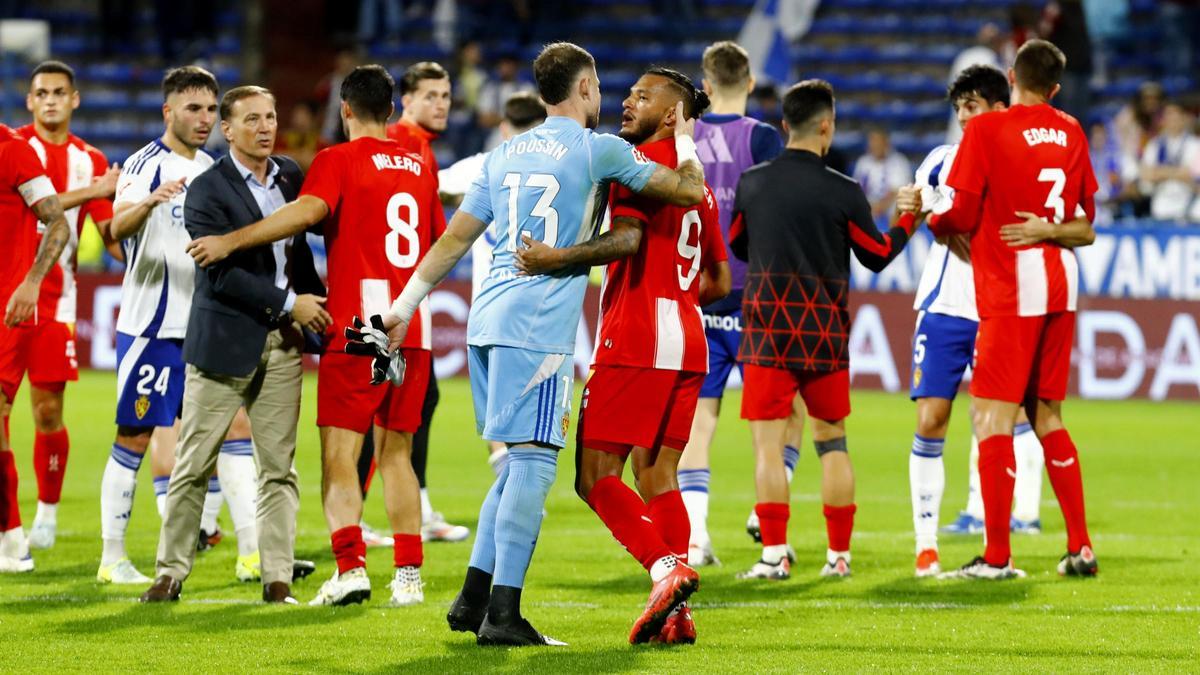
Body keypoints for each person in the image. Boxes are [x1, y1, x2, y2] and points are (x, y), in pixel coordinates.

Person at [367, 42, 707, 647]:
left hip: (487, 320)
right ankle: (504, 615)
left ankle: (473, 597)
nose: (609, 100)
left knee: (511, 464)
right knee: (531, 464)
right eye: (602, 88)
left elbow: (451, 241)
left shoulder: (503, 154)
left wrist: (402, 308)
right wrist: (682, 136)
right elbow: (685, 192)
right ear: (582, 90)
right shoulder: (600, 149)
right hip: (538, 325)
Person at [187, 64, 443, 608]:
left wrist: (232, 241)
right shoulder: (421, 164)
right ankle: (409, 578)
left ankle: (350, 569)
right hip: (410, 327)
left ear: (345, 109)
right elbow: (439, 242)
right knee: (397, 454)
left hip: (358, 329)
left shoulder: (337, 159)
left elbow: (308, 210)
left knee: (339, 455)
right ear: (392, 110)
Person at [515, 67, 728, 645]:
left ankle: (666, 570)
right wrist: (675, 298)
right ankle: (678, 616)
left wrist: (558, 257)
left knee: (593, 475)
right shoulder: (696, 181)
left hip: (637, 336)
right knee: (659, 474)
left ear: (669, 113)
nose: (628, 101)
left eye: (642, 95)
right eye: (628, 92)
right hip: (688, 337)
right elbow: (720, 277)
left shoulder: (640, 167)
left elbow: (630, 240)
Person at [140, 86, 329, 604]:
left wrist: (316, 298)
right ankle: (170, 573)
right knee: (195, 462)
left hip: (283, 345)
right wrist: (293, 305)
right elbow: (221, 274)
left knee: (278, 468)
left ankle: (277, 579)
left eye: (271, 116)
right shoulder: (206, 189)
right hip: (225, 338)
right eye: (252, 119)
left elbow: (299, 256)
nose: (266, 127)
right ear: (228, 129)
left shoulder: (290, 175)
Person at [730, 79, 918, 581]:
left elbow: (739, 245)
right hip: (824, 334)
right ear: (827, 127)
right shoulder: (845, 191)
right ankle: (839, 557)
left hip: (767, 332)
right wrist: (907, 221)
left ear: (785, 125)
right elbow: (877, 256)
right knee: (833, 441)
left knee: (768, 447)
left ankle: (773, 556)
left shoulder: (753, 183)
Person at [927, 39, 1098, 579]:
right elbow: (1086, 223)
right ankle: (1080, 547)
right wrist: (1048, 229)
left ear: (1010, 76)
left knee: (990, 417)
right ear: (1054, 89)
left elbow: (960, 213)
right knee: (1047, 415)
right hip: (1060, 281)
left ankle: (997, 556)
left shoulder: (985, 130)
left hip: (1010, 284)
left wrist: (928, 216)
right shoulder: (1071, 129)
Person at [100, 66, 259, 585]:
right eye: (194, 108)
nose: (205, 118)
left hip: (204, 325)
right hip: (151, 325)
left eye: (212, 109)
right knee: (137, 433)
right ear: (168, 111)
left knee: (235, 428)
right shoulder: (146, 163)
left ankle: (253, 555)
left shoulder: (214, 167)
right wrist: (148, 201)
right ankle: (112, 557)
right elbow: (113, 227)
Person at [903, 64, 1047, 578]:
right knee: (931, 420)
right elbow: (923, 209)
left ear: (998, 108)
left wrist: (946, 223)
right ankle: (926, 545)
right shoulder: (941, 160)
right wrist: (929, 218)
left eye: (974, 106)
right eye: (959, 107)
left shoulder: (1020, 160)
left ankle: (999, 538)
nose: (964, 116)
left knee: (1003, 424)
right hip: (945, 307)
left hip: (1000, 309)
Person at [680, 40, 791, 568]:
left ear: (705, 85)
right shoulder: (764, 138)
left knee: (699, 418)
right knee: (776, 413)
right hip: (754, 291)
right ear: (749, 83)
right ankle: (766, 505)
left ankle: (695, 538)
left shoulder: (687, 136)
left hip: (700, 288)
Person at [10, 60, 120, 552]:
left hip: (58, 301)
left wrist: (142, 212)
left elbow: (110, 236)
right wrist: (92, 191)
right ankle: (8, 523)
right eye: (41, 93)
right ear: (29, 101)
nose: (50, 100)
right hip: (6, 296)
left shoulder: (91, 160)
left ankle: (47, 515)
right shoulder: (13, 148)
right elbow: (44, 205)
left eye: (59, 92)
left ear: (74, 100)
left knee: (47, 411)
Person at [438, 91, 548, 477]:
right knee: (533, 400)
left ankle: (507, 470)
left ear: (503, 127)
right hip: (541, 301)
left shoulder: (481, 166)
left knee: (497, 402)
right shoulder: (558, 166)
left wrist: (460, 200)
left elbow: (429, 189)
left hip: (489, 300)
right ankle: (522, 475)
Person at [383, 61, 467, 543]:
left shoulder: (422, 148)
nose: (441, 104)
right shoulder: (406, 144)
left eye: (446, 95)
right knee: (400, 405)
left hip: (406, 293)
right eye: (431, 95)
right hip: (398, 296)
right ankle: (403, 512)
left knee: (417, 400)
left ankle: (418, 505)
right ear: (406, 100)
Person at [0, 125, 71, 573]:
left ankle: (14, 540)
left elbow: (59, 223)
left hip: (8, 307)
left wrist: (30, 283)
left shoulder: (14, 152)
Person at [1137, 102, 1200, 223]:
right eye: (1169, 116)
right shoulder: (1154, 145)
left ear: (1183, 118)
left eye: (1176, 117)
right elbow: (1146, 174)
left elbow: (1191, 174)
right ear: (1163, 120)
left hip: (1188, 203)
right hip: (1161, 203)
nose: (1173, 121)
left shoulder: (1195, 144)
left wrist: (1160, 172)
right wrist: (1178, 172)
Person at [853, 128, 912, 219]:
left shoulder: (899, 161)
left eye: (878, 141)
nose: (874, 145)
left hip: (892, 215)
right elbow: (857, 190)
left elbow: (896, 192)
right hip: (867, 212)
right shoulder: (863, 162)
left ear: (886, 143)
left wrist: (877, 209)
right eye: (872, 141)